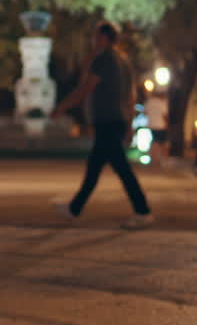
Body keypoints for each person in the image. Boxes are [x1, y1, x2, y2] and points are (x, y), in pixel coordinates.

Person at [51, 21, 154, 229]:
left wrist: (62, 107)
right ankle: (74, 208)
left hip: (107, 121)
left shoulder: (103, 59)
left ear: (104, 38)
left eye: (95, 36)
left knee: (122, 170)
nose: (92, 41)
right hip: (117, 120)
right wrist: (130, 123)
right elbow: (132, 95)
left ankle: (143, 211)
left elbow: (85, 88)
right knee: (94, 168)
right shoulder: (123, 61)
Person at [144, 89, 169, 163]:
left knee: (154, 141)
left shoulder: (149, 101)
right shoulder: (162, 102)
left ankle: (153, 159)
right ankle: (164, 159)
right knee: (163, 143)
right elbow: (165, 115)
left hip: (151, 125)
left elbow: (145, 112)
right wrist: (167, 124)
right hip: (161, 125)